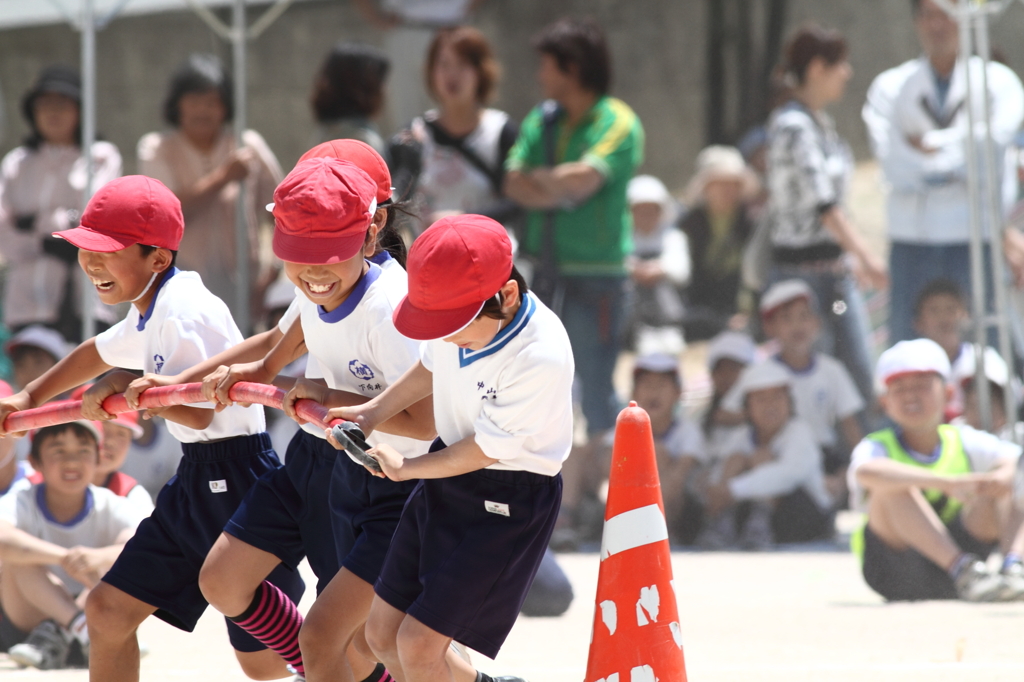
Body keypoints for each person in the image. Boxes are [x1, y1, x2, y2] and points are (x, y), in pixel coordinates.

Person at [123, 142, 435, 682]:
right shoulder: (323, 279)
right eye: (298, 245)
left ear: (372, 223)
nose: (312, 268)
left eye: (325, 240)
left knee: (360, 642)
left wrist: (320, 394)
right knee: (223, 580)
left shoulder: (389, 306)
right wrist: (185, 382)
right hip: (319, 456)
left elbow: (424, 425)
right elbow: (276, 347)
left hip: (387, 481)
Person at [0, 175, 305, 682]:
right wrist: (30, 397)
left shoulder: (182, 310)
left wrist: (141, 397)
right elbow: (95, 352)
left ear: (157, 258)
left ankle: (350, 660)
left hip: (239, 478)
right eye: (86, 249)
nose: (92, 262)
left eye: (108, 251)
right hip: (196, 478)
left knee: (266, 663)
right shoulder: (152, 305)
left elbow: (200, 411)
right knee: (107, 611)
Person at [329, 214, 570, 682]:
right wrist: (371, 412)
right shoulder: (462, 316)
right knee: (381, 636)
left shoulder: (540, 354)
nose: (445, 335)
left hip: (508, 496)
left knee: (418, 648)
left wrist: (409, 467)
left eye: (454, 326)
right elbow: (430, 366)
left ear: (507, 296)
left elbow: (485, 451)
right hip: (451, 474)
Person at [504, 18, 643, 532]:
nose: (539, 75)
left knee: (597, 391)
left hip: (599, 279)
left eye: (547, 64)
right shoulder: (542, 120)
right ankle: (555, 503)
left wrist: (552, 187)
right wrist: (557, 186)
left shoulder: (618, 120)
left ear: (574, 68)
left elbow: (587, 180)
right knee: (542, 387)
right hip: (546, 275)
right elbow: (514, 182)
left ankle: (604, 504)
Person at [863, 0, 1024, 344]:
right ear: (917, 21)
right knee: (911, 350)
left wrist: (929, 145)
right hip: (912, 241)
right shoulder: (889, 87)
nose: (938, 25)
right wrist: (964, 159)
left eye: (947, 15)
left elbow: (992, 154)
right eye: (928, 15)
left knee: (982, 350)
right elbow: (894, 166)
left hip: (975, 239)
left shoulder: (999, 82)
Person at [763, 24, 886, 406]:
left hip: (834, 273)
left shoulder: (820, 124)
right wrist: (868, 257)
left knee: (856, 373)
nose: (847, 73)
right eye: (840, 65)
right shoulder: (793, 125)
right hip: (801, 278)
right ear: (817, 68)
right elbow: (824, 205)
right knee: (813, 383)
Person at [849, 339, 1024, 602]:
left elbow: (1014, 461)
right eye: (899, 388)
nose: (910, 395)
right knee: (889, 489)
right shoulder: (876, 445)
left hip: (968, 560)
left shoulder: (964, 439)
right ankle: (963, 569)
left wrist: (1000, 477)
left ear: (949, 394)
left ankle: (1015, 568)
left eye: (921, 385)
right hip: (897, 572)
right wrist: (944, 482)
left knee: (1009, 481)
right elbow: (866, 473)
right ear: (885, 402)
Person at [137, 54, 283, 322]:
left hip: (243, 288)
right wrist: (224, 177)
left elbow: (283, 212)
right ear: (177, 105)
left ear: (226, 107)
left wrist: (271, 273)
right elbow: (168, 213)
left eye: (212, 102)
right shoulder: (156, 148)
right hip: (181, 286)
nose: (202, 111)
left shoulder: (247, 144)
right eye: (193, 101)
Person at [0, 421, 146, 670]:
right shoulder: (23, 498)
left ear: (98, 458)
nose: (72, 461)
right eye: (58, 451)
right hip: (30, 624)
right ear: (35, 462)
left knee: (123, 559)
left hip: (95, 614)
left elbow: (144, 546)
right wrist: (66, 557)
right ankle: (78, 626)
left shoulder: (110, 503)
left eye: (83, 451)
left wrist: (98, 558)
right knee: (15, 559)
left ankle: (71, 629)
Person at [0, 65, 121, 343]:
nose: (53, 112)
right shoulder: (17, 163)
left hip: (87, 301)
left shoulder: (101, 156)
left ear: (80, 109)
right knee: (37, 386)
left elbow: (99, 222)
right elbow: (3, 234)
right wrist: (49, 240)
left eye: (63, 103)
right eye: (45, 104)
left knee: (87, 385)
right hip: (28, 302)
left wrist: (32, 222)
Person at [719, 280, 865, 499]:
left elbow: (850, 424)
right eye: (786, 319)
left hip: (823, 453)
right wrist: (765, 416)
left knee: (840, 479)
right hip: (776, 449)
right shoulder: (760, 373)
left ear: (816, 323)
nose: (797, 326)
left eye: (804, 317)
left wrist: (861, 463)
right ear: (770, 328)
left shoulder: (832, 369)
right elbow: (724, 414)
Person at [389, 26, 521, 235]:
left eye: (462, 64)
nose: (452, 74)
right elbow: (393, 201)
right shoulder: (413, 135)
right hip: (428, 261)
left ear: (481, 71)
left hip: (487, 258)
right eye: (444, 64)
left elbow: (518, 202)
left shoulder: (502, 131)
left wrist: (462, 220)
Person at [701, 361, 834, 550]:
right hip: (758, 515)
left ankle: (758, 528)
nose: (770, 406)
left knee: (762, 460)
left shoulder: (799, 431)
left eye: (777, 397)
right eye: (761, 399)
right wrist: (718, 490)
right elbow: (718, 473)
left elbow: (788, 475)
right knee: (736, 460)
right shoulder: (742, 435)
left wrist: (732, 490)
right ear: (747, 407)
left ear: (789, 402)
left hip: (805, 515)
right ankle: (721, 526)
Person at [353, 0, 487, 131]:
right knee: (405, 112)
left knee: (452, 111)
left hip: (452, 27)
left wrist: (464, 12)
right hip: (406, 27)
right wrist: (376, 18)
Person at [678, 146, 759, 341]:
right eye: (721, 184)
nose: (729, 191)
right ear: (706, 188)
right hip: (699, 305)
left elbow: (754, 273)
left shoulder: (751, 222)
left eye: (734, 184)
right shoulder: (688, 222)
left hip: (738, 302)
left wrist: (746, 311)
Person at [632, 353, 705, 544]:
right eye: (647, 385)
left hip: (679, 512)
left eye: (662, 386)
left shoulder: (688, 431)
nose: (653, 393)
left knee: (657, 453)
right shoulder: (625, 428)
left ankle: (654, 529)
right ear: (634, 393)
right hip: (631, 507)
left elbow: (683, 471)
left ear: (677, 393)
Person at [625, 175, 690, 355]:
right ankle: (640, 332)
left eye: (651, 210)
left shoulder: (672, 237)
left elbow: (682, 272)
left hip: (666, 305)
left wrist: (659, 270)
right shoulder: (623, 239)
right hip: (634, 308)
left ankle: (669, 329)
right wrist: (634, 270)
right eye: (640, 210)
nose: (646, 216)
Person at [310, 42, 391, 158]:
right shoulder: (360, 141)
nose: (386, 90)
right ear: (363, 86)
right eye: (381, 82)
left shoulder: (327, 134)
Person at [5, 325, 67, 392]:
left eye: (38, 362)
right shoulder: (6, 400)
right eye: (21, 365)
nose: (29, 372)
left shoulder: (77, 401)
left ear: (60, 366)